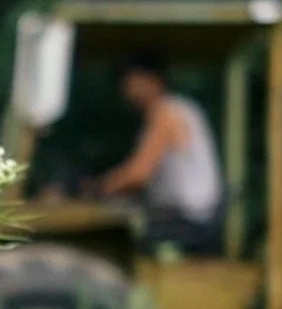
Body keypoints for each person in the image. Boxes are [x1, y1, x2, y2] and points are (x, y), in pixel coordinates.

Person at [95, 51, 225, 255]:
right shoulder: (176, 109)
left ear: (152, 80)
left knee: (108, 238)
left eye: (130, 81)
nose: (126, 90)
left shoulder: (166, 112)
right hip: (186, 217)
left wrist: (98, 188)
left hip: (190, 222)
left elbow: (138, 174)